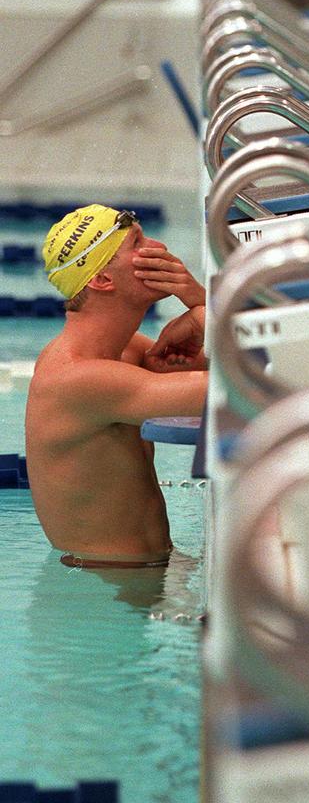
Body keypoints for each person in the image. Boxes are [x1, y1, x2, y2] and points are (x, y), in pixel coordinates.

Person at [25, 204, 209, 568]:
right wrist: (202, 305)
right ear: (103, 280)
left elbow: (261, 369)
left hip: (145, 571)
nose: (157, 246)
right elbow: (232, 385)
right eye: (138, 242)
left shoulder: (128, 349)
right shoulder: (77, 378)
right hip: (104, 588)